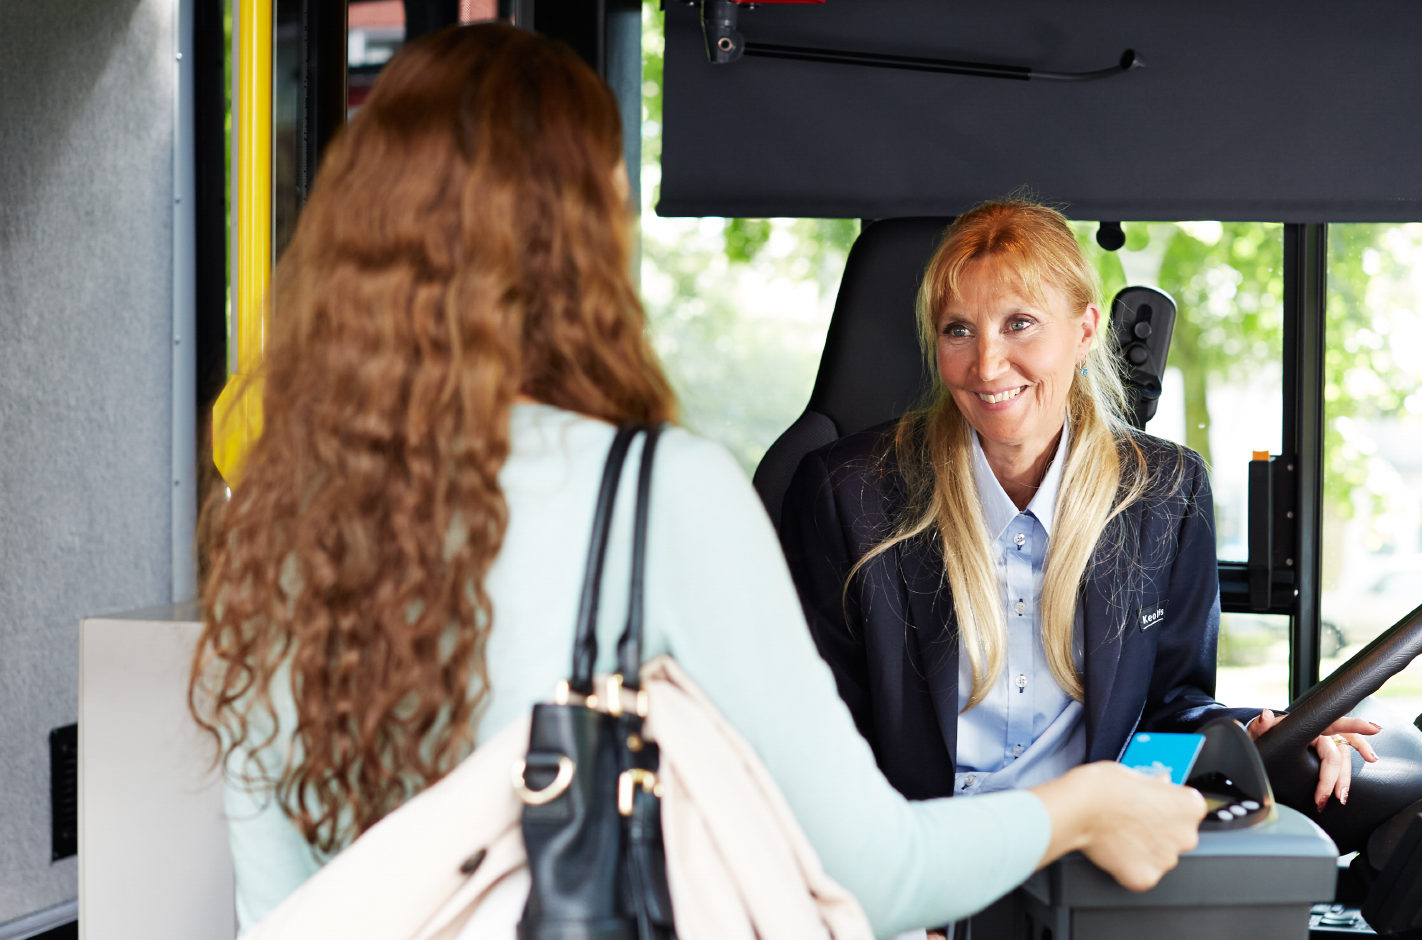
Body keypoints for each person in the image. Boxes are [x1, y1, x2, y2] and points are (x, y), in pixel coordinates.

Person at [188, 24, 1213, 939]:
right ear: (586, 226)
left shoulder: (281, 511)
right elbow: (870, 872)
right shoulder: (653, 495)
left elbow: (276, 905)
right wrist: (1084, 807)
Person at [779, 201, 1379, 816]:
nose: (986, 365)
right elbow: (819, 724)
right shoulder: (848, 491)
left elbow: (1171, 708)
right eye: (958, 329)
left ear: (1086, 331)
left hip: (1091, 849)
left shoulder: (1166, 492)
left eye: (1019, 324)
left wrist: (1258, 732)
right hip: (922, 852)